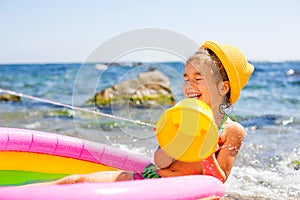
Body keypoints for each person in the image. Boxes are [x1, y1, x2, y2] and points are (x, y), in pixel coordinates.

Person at [27, 40, 254, 186]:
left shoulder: (232, 130)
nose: (189, 85)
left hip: (181, 191)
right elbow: (160, 161)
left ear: (223, 87)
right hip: (152, 180)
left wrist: (204, 146)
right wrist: (169, 140)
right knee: (77, 181)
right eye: (186, 78)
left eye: (198, 79)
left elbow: (217, 183)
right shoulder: (180, 116)